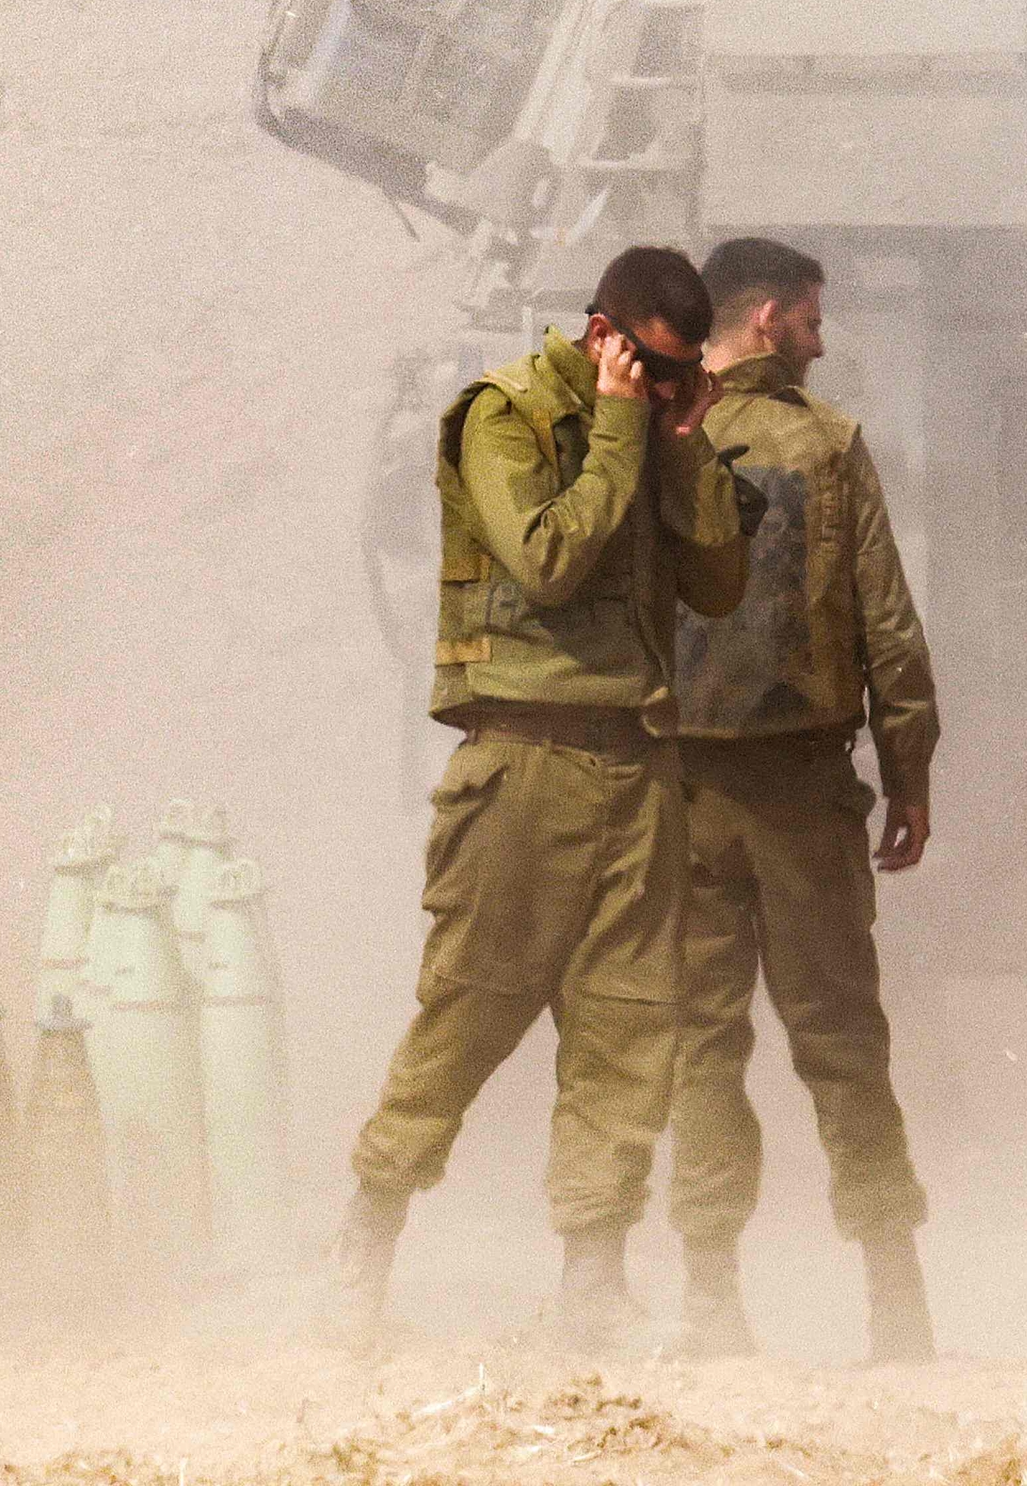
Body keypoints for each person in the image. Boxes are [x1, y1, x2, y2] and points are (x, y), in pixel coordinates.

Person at [323, 246, 761, 1349]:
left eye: (682, 377)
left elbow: (716, 583)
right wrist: (622, 430)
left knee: (630, 1034)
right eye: (654, 371)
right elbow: (550, 561)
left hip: (639, 765)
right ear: (603, 336)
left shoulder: (657, 426)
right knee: (469, 1013)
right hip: (525, 764)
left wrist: (682, 444)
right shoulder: (503, 417)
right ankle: (361, 1256)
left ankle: (592, 1291)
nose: (667, 391)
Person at [664, 236, 941, 1362]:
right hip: (802, 796)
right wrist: (909, 772)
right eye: (815, 324)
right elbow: (888, 629)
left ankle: (709, 1300)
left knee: (696, 1047)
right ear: (771, 318)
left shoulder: (645, 443)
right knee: (841, 1042)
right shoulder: (828, 447)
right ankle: (894, 1297)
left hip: (678, 802)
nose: (821, 347)